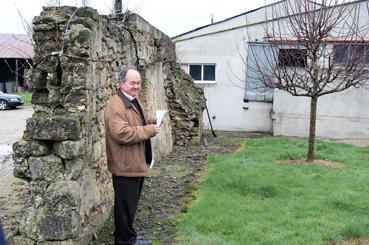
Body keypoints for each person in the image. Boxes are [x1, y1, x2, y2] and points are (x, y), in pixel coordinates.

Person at [104, 66, 160, 245]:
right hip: (125, 165)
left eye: (139, 83)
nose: (136, 86)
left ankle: (129, 236)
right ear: (121, 84)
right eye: (132, 83)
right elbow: (121, 133)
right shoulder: (116, 104)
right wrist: (148, 130)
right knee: (125, 206)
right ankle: (125, 240)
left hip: (135, 164)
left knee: (130, 205)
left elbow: (135, 122)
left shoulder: (133, 100)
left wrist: (151, 121)